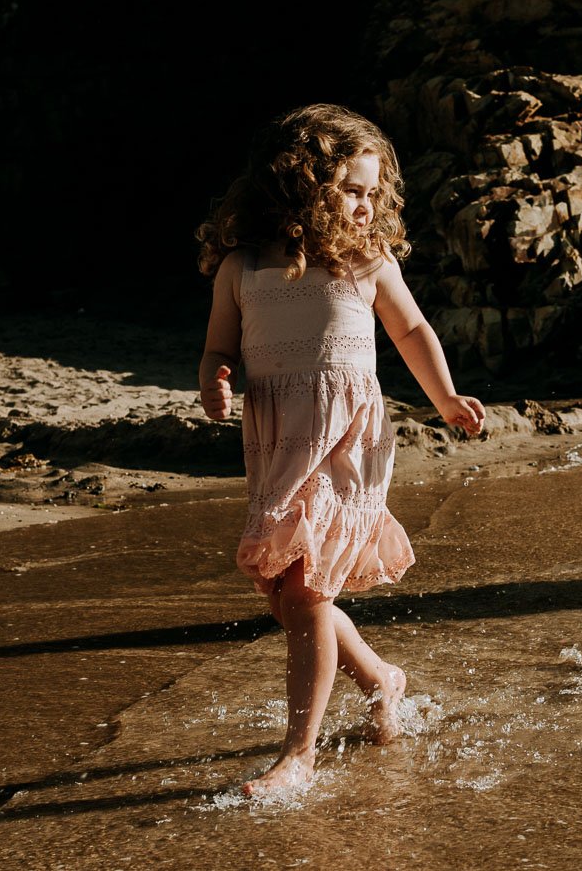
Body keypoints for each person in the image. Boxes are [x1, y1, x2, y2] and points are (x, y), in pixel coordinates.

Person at [195, 104, 485, 797]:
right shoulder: (240, 268)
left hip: (346, 444)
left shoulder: (367, 263)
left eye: (373, 192)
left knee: (305, 590)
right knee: (286, 594)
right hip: (278, 443)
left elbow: (412, 331)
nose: (365, 205)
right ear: (301, 186)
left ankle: (300, 755)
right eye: (351, 190)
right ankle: (382, 677)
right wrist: (215, 379)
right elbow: (217, 345)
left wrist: (444, 399)